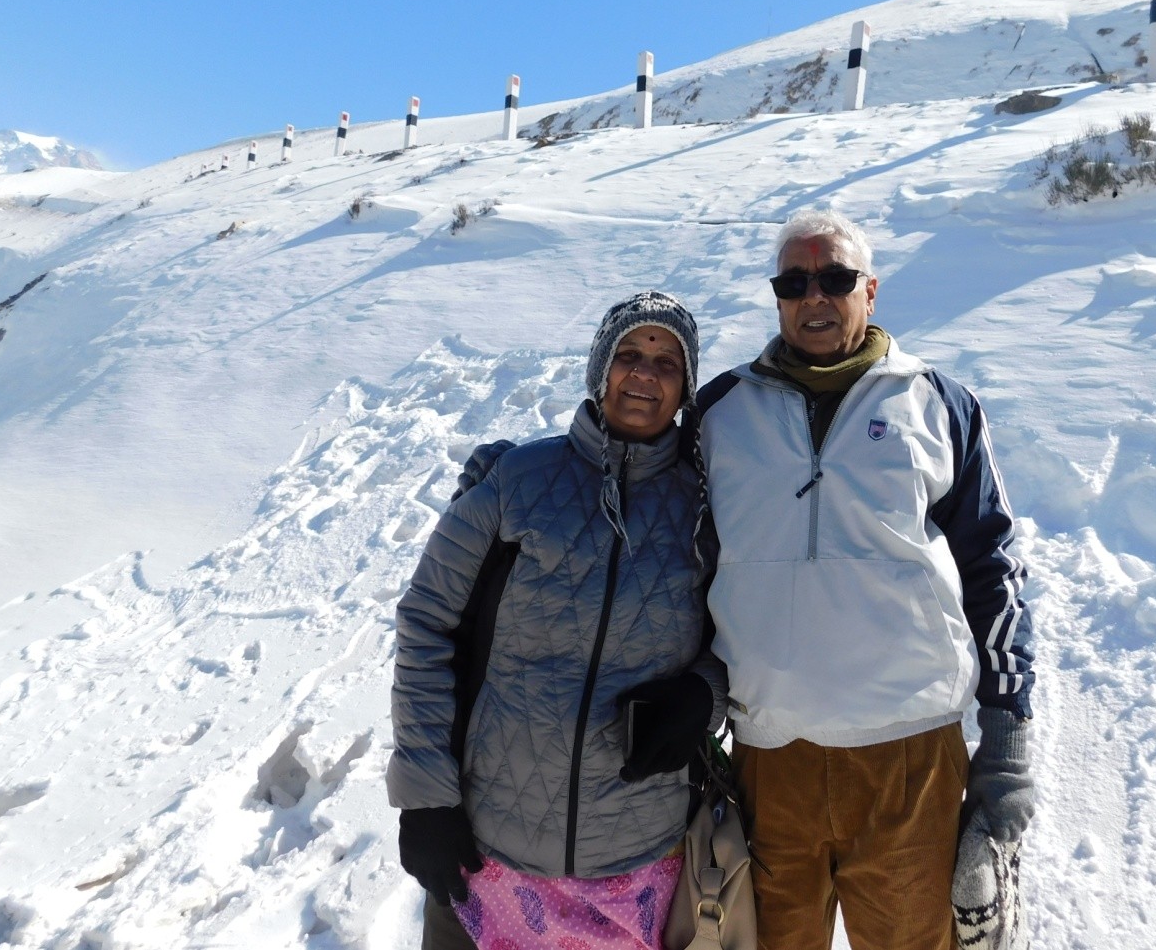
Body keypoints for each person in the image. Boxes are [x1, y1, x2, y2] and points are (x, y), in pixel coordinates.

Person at [694, 208, 1036, 950]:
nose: (813, 296)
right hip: (769, 756)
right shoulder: (721, 413)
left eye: (835, 278)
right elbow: (664, 540)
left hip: (908, 760)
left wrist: (1007, 735)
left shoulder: (936, 404)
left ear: (870, 290)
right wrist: (521, 470)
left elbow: (995, 571)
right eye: (794, 282)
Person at [387, 291, 728, 950]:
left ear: (685, 386)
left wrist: (702, 694)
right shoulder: (519, 479)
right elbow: (427, 623)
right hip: (486, 849)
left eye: (667, 362)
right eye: (629, 354)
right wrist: (426, 799)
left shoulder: (704, 506)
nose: (644, 373)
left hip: (638, 863)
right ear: (600, 368)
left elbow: (745, 640)